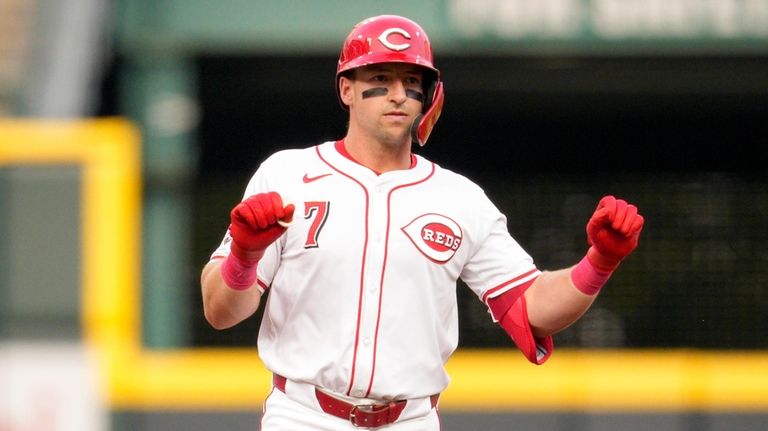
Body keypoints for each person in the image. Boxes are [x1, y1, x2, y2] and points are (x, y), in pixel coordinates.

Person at [201, 14, 644, 431]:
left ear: (428, 95)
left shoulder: (459, 197)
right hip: (303, 415)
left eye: (412, 82)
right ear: (346, 89)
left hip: (410, 419)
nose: (398, 93)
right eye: (379, 79)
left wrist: (599, 261)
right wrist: (244, 255)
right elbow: (220, 312)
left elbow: (532, 308)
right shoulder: (286, 174)